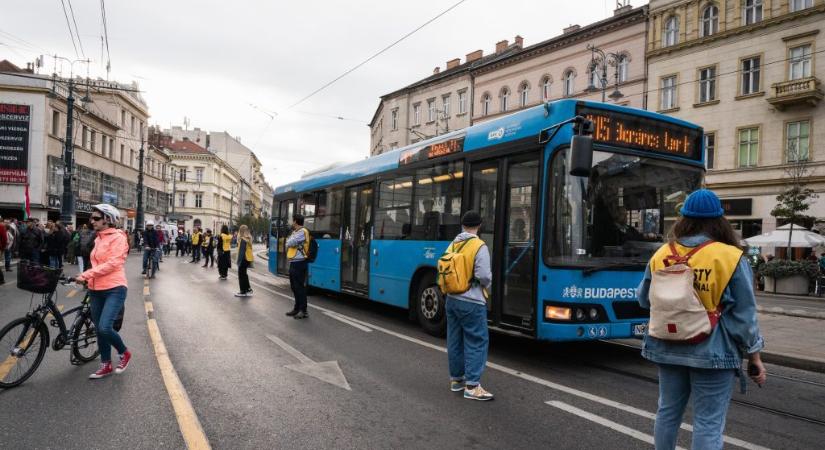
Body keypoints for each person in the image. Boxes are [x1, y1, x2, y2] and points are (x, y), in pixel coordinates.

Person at [636, 189, 766, 450]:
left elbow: (643, 299)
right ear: (720, 220)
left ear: (684, 219)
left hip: (667, 346)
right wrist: (754, 357)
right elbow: (744, 316)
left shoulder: (662, 254)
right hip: (712, 351)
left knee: (667, 413)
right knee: (708, 423)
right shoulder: (730, 257)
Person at [75, 204, 132, 379]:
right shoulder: (98, 238)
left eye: (96, 218)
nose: (92, 221)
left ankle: (124, 353)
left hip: (114, 288)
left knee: (105, 327)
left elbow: (113, 263)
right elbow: (95, 261)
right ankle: (105, 364)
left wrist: (86, 274)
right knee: (99, 330)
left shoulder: (118, 238)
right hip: (95, 288)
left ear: (108, 219)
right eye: (91, 218)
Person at [444, 211, 494, 401]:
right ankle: (472, 386)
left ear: (463, 225)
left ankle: (457, 380)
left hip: (452, 298)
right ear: (479, 226)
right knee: (477, 340)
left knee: (455, 339)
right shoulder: (479, 245)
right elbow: (484, 275)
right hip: (471, 300)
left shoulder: (453, 243)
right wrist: (487, 286)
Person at [284, 214, 310, 319]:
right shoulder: (295, 232)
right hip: (294, 262)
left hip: (300, 262)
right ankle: (297, 308)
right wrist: (290, 242)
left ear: (295, 221)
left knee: (299, 287)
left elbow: (290, 242)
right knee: (294, 287)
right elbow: (288, 243)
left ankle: (303, 311)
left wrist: (290, 241)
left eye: (292, 221)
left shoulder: (303, 232)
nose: (292, 223)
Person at [235, 225, 254, 297]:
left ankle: (243, 291)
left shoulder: (243, 239)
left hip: (243, 258)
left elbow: (241, 252)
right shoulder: (249, 238)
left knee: (241, 275)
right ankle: (248, 289)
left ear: (241, 231)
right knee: (244, 274)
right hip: (248, 258)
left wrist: (238, 262)